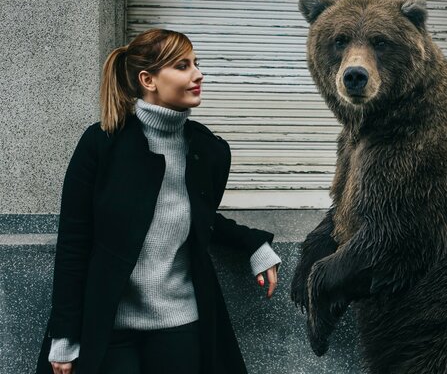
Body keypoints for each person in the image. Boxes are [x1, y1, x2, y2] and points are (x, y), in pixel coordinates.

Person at [36, 28, 281, 374]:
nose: (198, 74)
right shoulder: (101, 145)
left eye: (197, 63)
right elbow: (74, 243)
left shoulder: (207, 151)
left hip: (180, 325)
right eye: (182, 66)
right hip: (110, 329)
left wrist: (254, 244)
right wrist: (64, 336)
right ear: (148, 79)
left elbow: (199, 220)